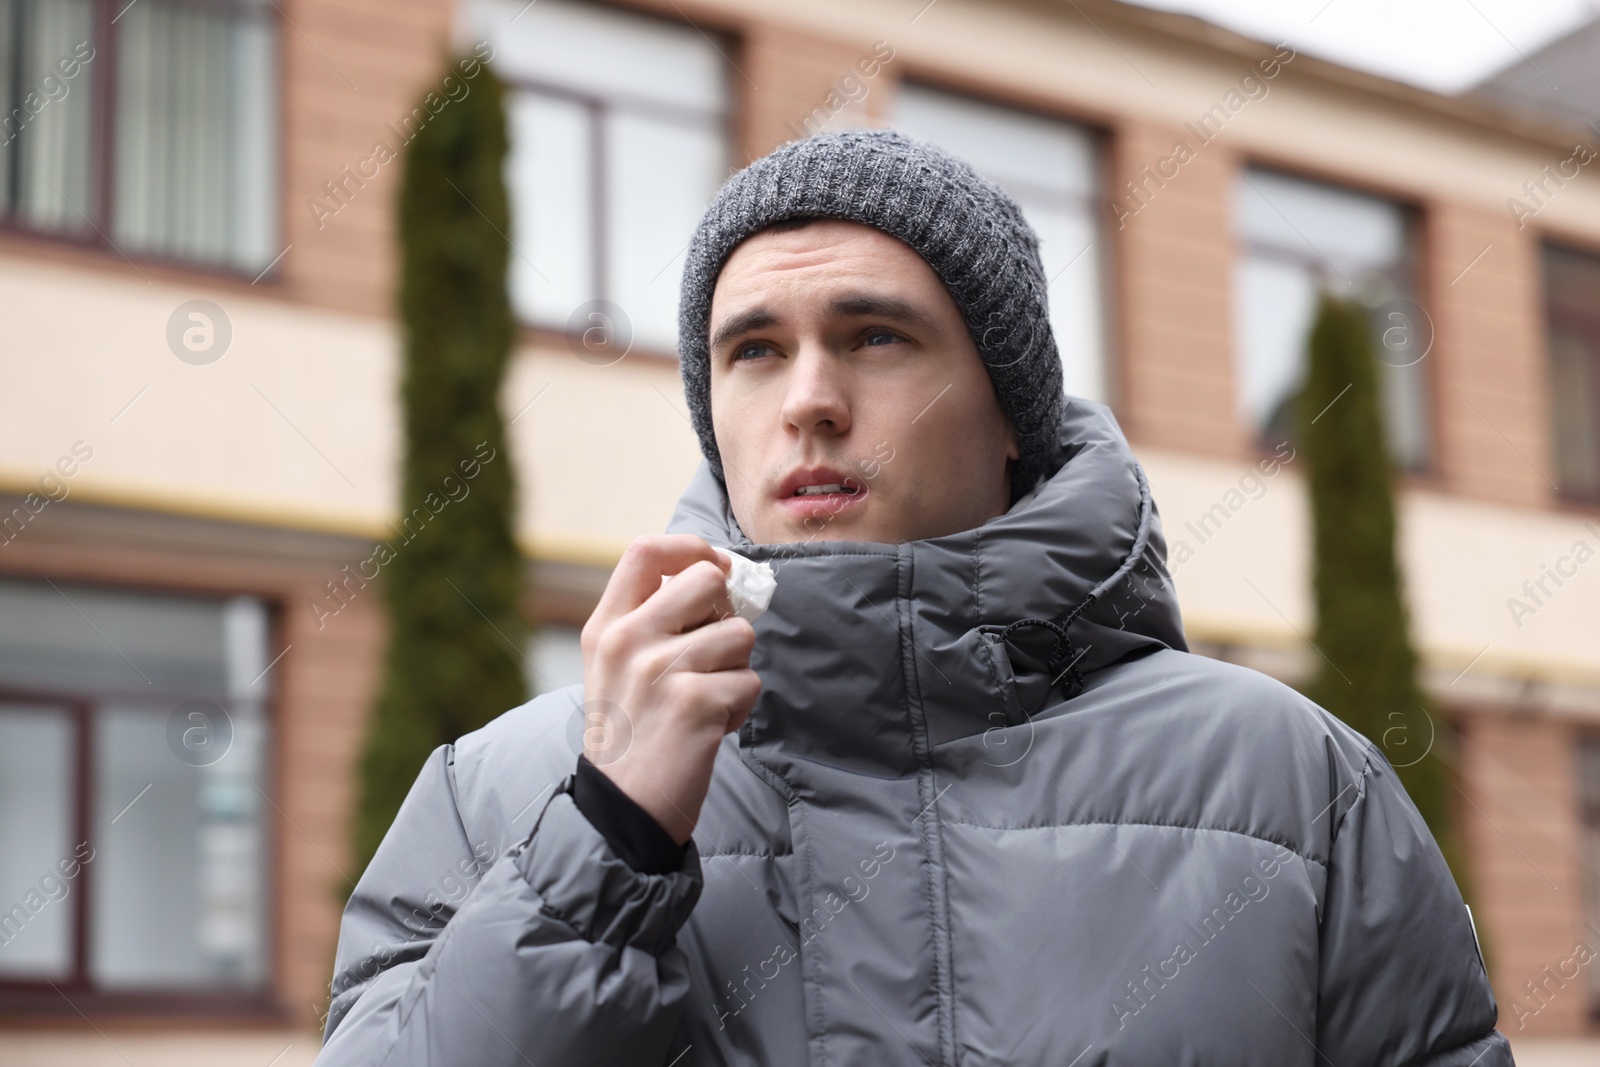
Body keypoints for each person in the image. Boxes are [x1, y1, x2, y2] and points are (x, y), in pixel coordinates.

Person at [315, 129, 1511, 1066]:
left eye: (876, 336)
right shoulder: (504, 799)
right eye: (754, 350)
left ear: (1009, 414)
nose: (811, 400)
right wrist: (606, 844)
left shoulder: (1292, 786)